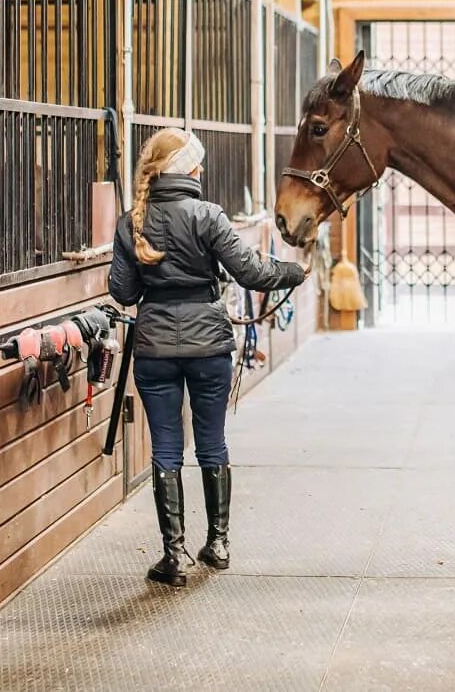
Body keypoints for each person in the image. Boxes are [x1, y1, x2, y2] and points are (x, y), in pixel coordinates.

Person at [109, 127, 307, 587]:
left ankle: (173, 555)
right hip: (209, 345)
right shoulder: (208, 215)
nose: (202, 168)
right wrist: (294, 271)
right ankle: (218, 544)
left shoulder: (130, 222)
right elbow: (252, 271)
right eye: (198, 162)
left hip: (155, 347)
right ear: (189, 169)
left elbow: (123, 291)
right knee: (212, 441)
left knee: (165, 448)